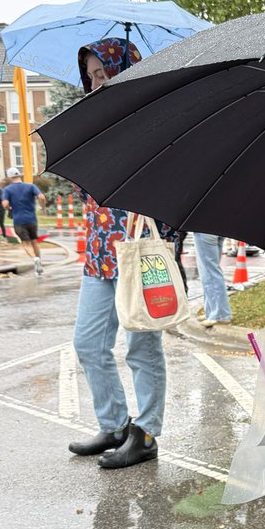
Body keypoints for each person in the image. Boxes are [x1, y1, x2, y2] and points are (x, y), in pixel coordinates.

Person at [67, 38, 166, 470]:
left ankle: (145, 434)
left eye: (101, 73)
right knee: (88, 344)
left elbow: (174, 189)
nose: (94, 81)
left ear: (123, 68)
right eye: (89, 76)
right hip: (98, 252)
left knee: (142, 348)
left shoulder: (155, 120)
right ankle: (115, 425)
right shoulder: (93, 122)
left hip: (140, 250)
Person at [2, 167, 46, 274]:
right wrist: (42, 208)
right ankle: (39, 263)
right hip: (32, 219)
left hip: (19, 220)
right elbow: (42, 197)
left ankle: (34, 259)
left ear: (10, 177)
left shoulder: (7, 190)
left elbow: (5, 204)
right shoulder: (31, 186)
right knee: (34, 242)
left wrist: (9, 209)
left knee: (26, 243)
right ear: (19, 175)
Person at [193, 232, 233, 328]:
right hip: (218, 227)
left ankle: (221, 315)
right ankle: (211, 311)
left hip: (203, 229)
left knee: (209, 272)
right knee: (209, 271)